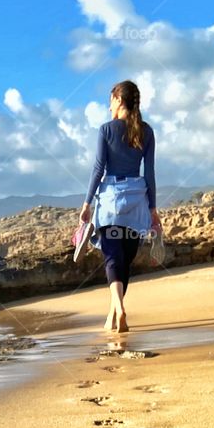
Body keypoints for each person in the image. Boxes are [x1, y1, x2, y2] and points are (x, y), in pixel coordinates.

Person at [79, 80, 161, 333]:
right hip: (136, 201)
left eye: (110, 100)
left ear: (119, 100)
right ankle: (114, 313)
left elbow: (98, 169)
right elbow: (150, 173)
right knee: (124, 261)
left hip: (111, 200)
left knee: (112, 257)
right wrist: (153, 209)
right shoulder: (146, 132)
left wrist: (87, 202)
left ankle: (119, 310)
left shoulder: (106, 130)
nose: (108, 106)